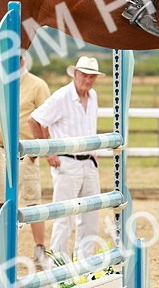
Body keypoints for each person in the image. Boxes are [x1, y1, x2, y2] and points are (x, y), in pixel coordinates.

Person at [29, 55, 106, 261]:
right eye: (85, 75)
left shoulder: (94, 96)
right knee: (64, 217)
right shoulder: (62, 96)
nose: (88, 81)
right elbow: (35, 120)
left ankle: (85, 263)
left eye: (92, 77)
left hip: (89, 162)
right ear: (76, 74)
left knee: (91, 216)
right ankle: (59, 266)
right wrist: (48, 152)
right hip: (67, 162)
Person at [0, 53, 52, 269]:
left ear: (23, 59)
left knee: (31, 199)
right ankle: (4, 252)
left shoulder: (37, 85)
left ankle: (40, 249)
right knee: (1, 199)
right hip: (1, 147)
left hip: (25, 150)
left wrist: (38, 149)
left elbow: (47, 119)